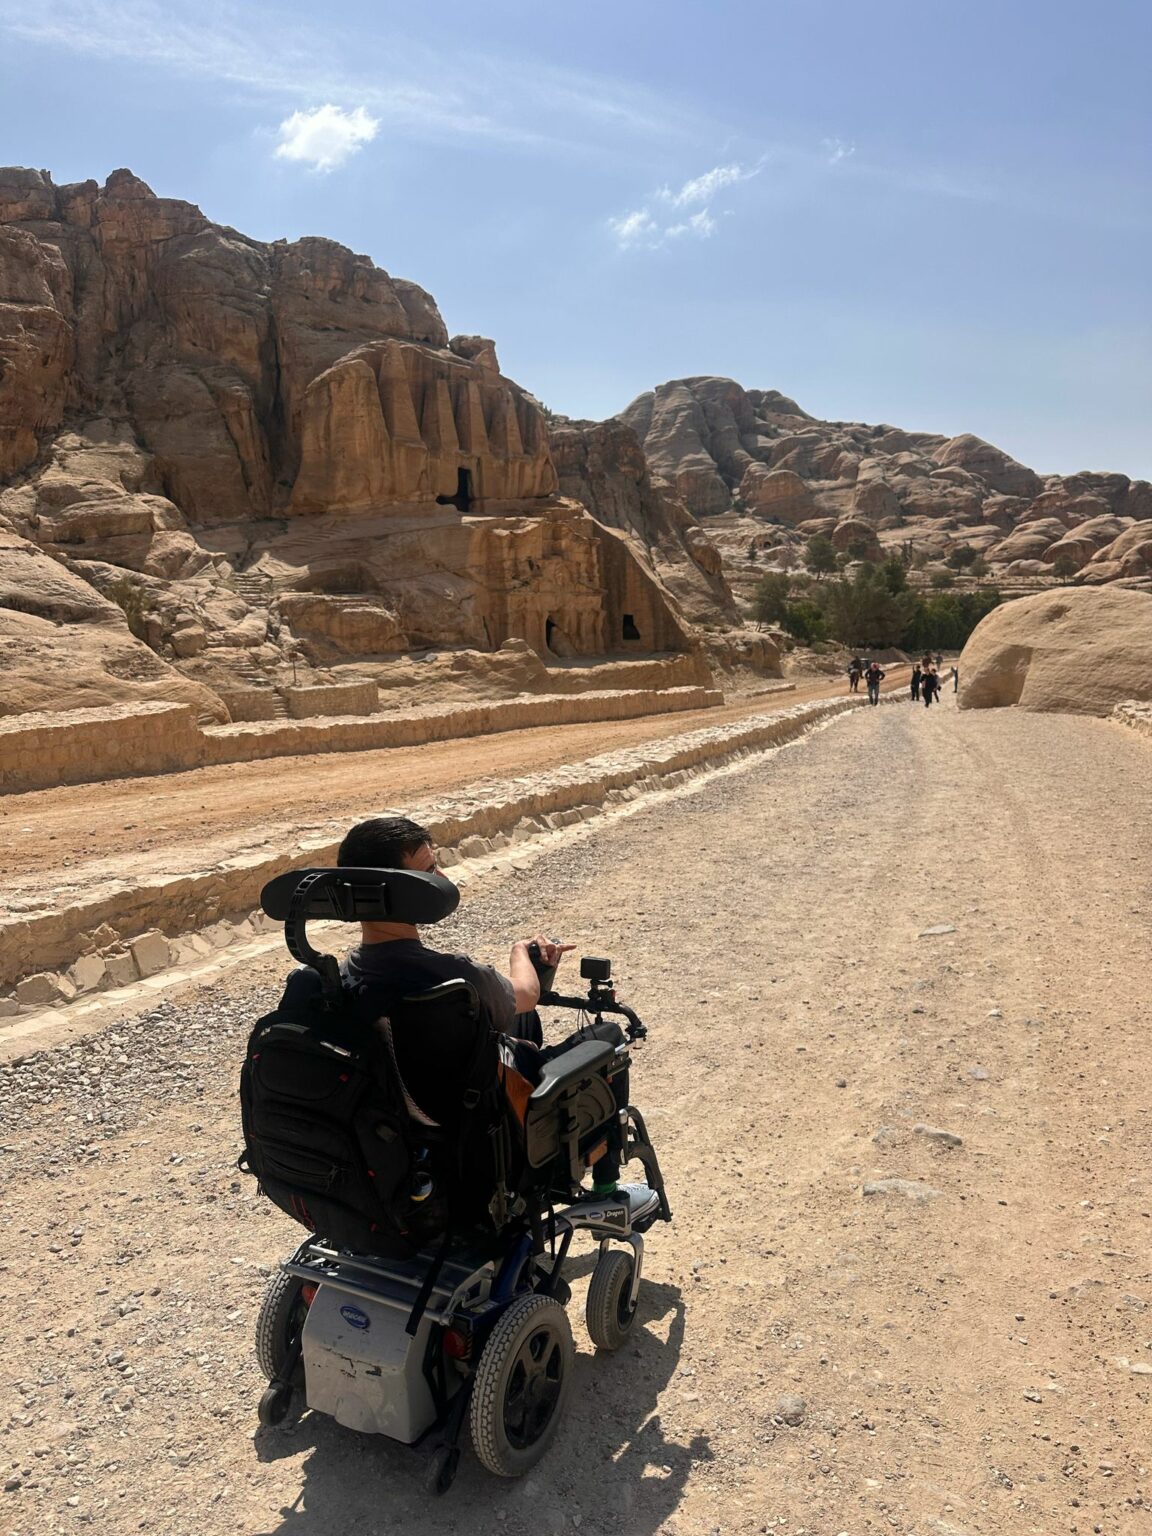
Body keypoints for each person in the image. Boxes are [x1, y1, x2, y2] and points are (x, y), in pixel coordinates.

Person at [334, 815, 638, 1199]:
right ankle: (606, 1187)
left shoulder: (344, 972)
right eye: (429, 869)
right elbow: (526, 992)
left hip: (407, 1110)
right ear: (396, 890)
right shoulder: (453, 978)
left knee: (523, 1026)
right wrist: (519, 952)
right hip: (476, 1115)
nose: (440, 877)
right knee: (608, 1038)